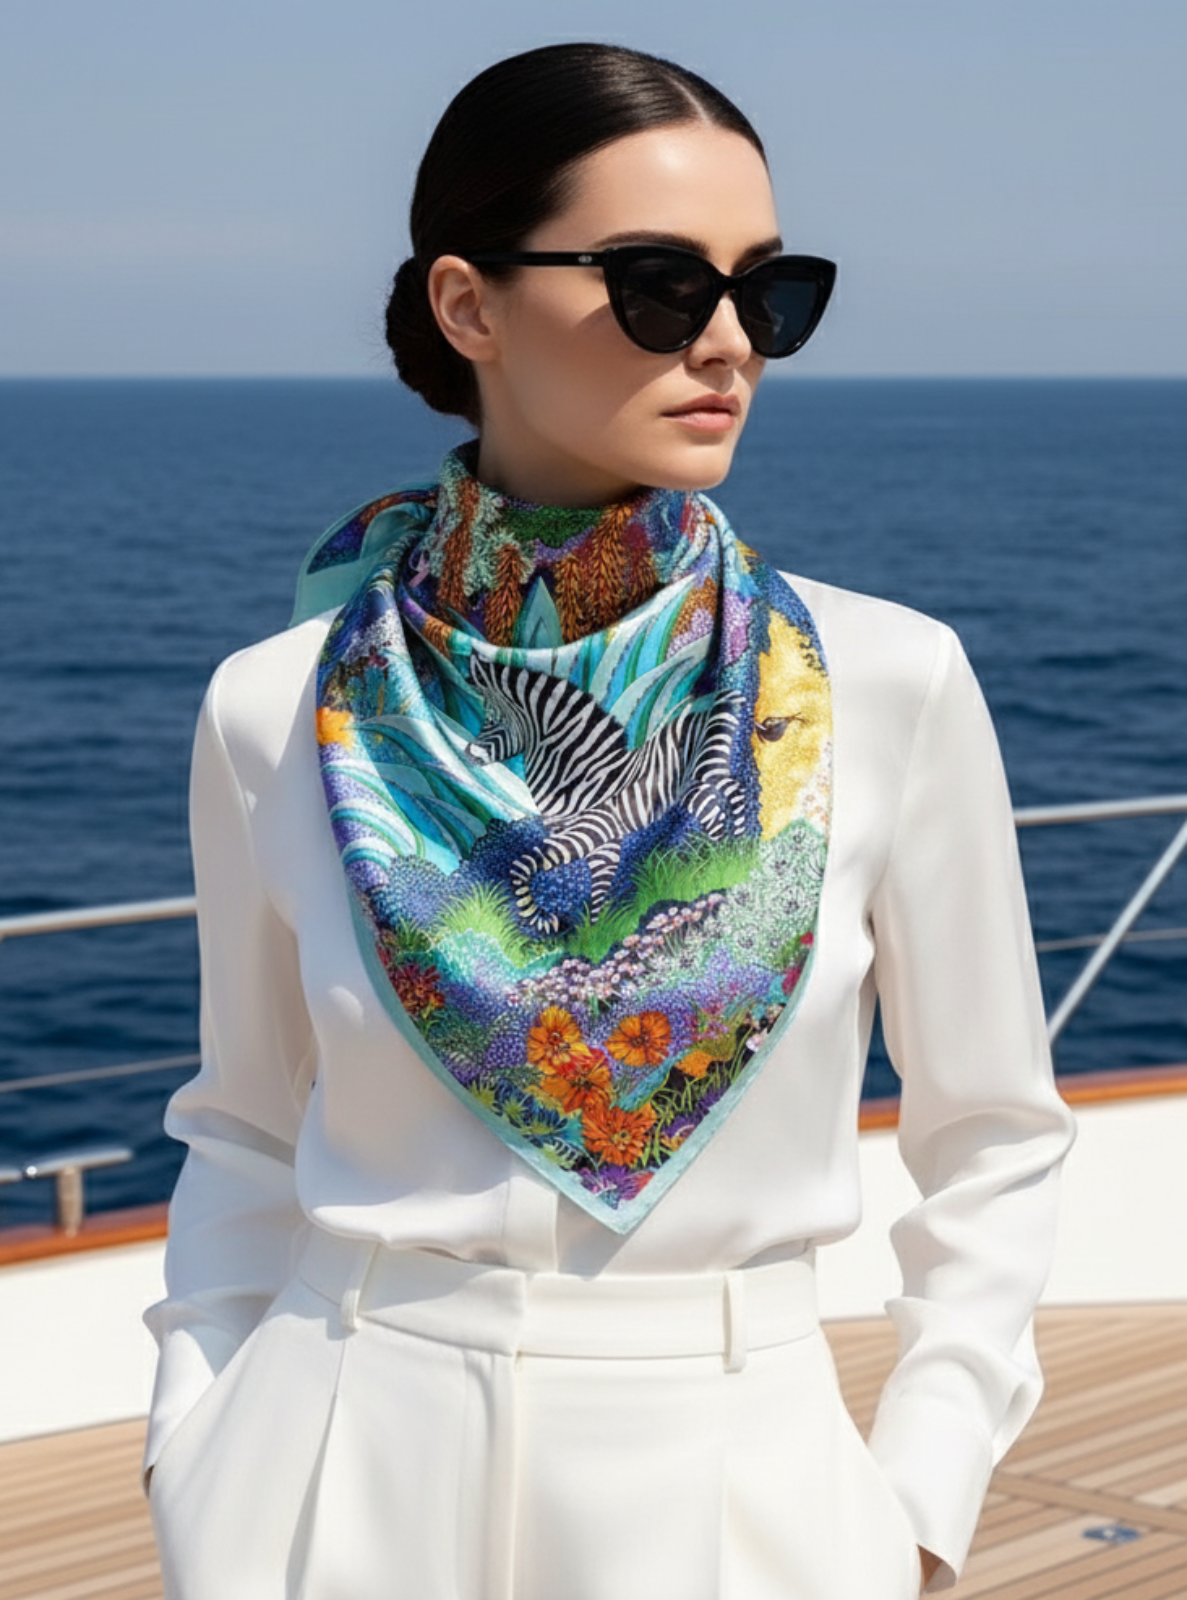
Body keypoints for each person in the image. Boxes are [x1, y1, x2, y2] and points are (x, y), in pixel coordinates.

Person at [143, 41, 1075, 1600]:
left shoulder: (887, 681)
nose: (727, 344)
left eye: (765, 293)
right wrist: (200, 1449)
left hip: (742, 1484)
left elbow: (992, 1134)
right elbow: (243, 1123)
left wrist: (917, 1503)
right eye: (657, 283)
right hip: (330, 1466)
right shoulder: (274, 706)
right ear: (468, 306)